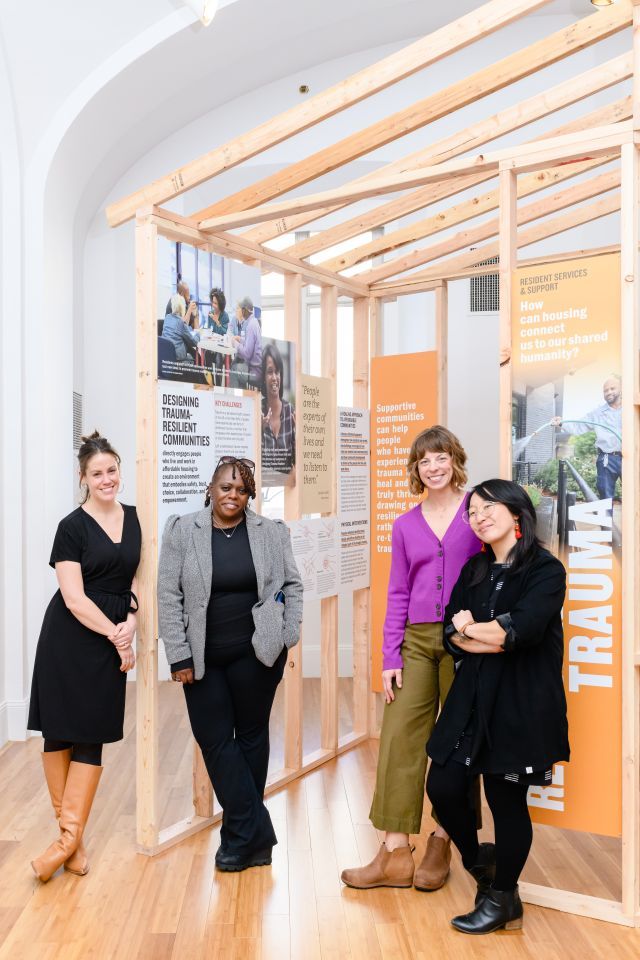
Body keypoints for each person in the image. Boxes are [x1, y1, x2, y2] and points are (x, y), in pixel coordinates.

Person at [341, 426, 481, 893]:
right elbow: (397, 591)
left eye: (441, 457)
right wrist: (388, 655)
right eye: (425, 461)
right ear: (415, 469)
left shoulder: (478, 512)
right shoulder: (405, 524)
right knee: (400, 736)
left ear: (454, 460)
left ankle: (444, 838)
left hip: (467, 641)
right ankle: (395, 849)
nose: (434, 467)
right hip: (417, 642)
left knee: (459, 742)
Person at [426, 479, 568, 935]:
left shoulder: (546, 571)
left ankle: (503, 898)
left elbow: (519, 632)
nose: (479, 516)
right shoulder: (473, 571)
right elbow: (451, 636)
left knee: (507, 804)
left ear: (516, 513)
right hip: (472, 697)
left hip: (519, 703)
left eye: (489, 508)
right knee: (443, 787)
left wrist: (480, 632)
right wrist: (481, 635)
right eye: (473, 511)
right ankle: (478, 860)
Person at [157, 456, 303, 872]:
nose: (232, 495)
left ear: (250, 494)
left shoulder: (271, 532)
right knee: (215, 740)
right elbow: (168, 594)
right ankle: (255, 830)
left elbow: (292, 583)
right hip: (201, 659)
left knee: (252, 738)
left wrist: (288, 633)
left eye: (241, 489)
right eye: (225, 487)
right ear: (211, 488)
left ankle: (240, 841)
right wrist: (178, 653)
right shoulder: (183, 530)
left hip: (257, 654)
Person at [28, 431, 141, 882]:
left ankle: (65, 842)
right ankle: (69, 841)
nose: (107, 479)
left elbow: (134, 580)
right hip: (70, 639)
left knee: (91, 736)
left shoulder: (133, 518)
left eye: (112, 470)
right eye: (97, 473)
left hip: (113, 631)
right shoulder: (70, 527)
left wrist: (133, 616)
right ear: (83, 478)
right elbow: (73, 598)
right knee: (58, 735)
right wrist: (119, 637)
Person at [551, 375, 622, 501]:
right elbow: (579, 426)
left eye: (612, 388)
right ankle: (606, 521)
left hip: (630, 458)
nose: (609, 392)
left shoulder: (631, 409)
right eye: (606, 390)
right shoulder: (598, 413)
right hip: (606, 459)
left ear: (621, 389)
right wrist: (562, 422)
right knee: (605, 497)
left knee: (634, 494)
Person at [261, 342, 295, 483]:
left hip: (285, 493)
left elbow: (297, 463)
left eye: (277, 371)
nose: (275, 377)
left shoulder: (290, 412)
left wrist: (300, 436)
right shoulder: (257, 412)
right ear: (263, 377)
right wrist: (259, 430)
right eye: (270, 372)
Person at [231, 296, 262, 388]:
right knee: (237, 365)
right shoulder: (254, 322)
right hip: (257, 367)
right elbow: (250, 342)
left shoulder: (250, 325)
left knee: (234, 370)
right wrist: (240, 339)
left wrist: (235, 343)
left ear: (244, 310)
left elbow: (247, 353)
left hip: (255, 371)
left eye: (240, 309)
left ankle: (235, 399)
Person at [162, 294, 201, 362]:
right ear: (182, 307)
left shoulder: (167, 318)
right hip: (178, 358)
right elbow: (195, 342)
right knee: (196, 358)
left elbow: (182, 325)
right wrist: (198, 332)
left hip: (165, 356)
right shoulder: (181, 323)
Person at [204, 287, 230, 385]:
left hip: (221, 348)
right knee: (206, 355)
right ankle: (210, 384)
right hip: (212, 346)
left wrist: (217, 321)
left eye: (215, 303)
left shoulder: (225, 316)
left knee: (219, 359)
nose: (213, 305)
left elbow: (224, 332)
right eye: (212, 302)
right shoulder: (210, 313)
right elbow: (210, 329)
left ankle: (218, 387)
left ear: (220, 304)